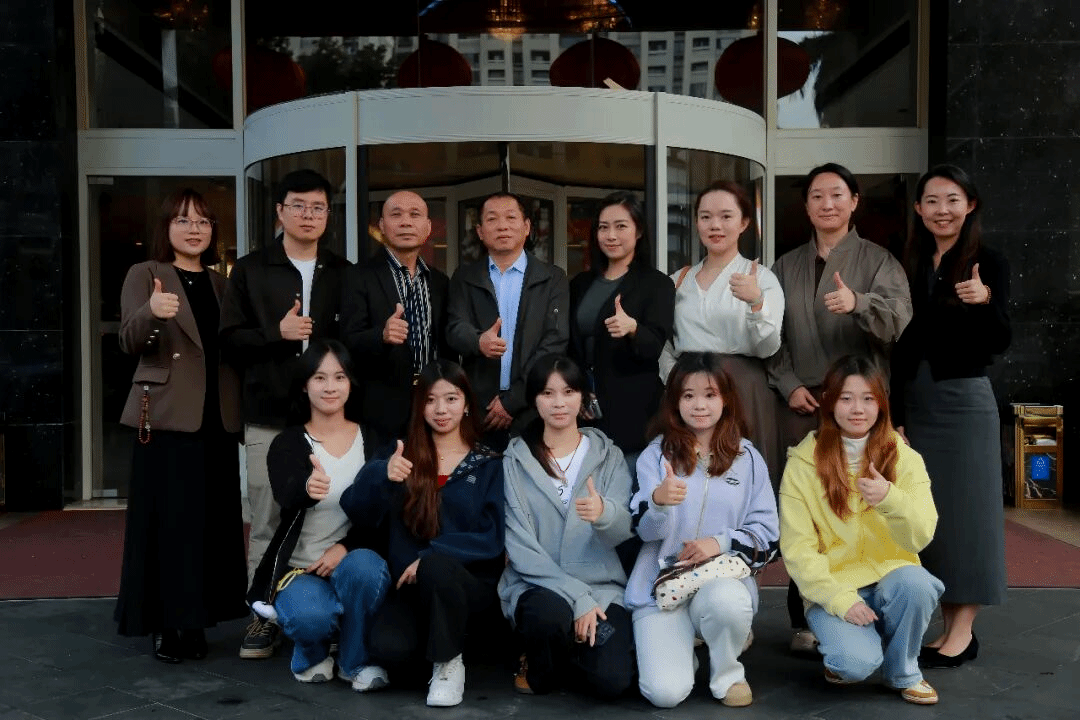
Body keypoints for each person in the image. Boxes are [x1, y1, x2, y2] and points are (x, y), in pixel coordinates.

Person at [767, 162, 912, 653]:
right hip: (803, 403)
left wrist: (859, 304)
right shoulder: (785, 265)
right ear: (806, 206)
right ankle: (806, 617)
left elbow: (898, 322)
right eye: (816, 196)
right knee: (806, 509)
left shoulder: (879, 260)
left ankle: (872, 609)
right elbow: (769, 336)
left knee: (861, 506)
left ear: (854, 202)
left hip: (860, 406)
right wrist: (787, 383)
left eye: (836, 194)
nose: (826, 204)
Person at [220, 169, 351, 659]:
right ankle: (262, 613)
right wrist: (277, 333)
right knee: (267, 517)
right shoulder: (251, 270)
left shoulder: (342, 271)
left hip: (331, 418)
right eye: (298, 205)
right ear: (280, 211)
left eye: (318, 207)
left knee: (332, 513)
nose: (308, 215)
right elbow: (229, 341)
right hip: (270, 414)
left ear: (328, 214)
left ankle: (323, 610)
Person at [114, 188, 248, 663]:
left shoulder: (221, 283)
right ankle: (166, 623)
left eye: (203, 222)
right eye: (183, 220)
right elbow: (129, 341)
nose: (194, 229)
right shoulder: (146, 273)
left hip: (217, 418)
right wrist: (152, 313)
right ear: (166, 227)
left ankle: (196, 619)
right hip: (168, 417)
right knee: (168, 524)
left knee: (209, 525)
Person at [891, 165, 1011, 668]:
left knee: (969, 517)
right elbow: (900, 346)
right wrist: (896, 412)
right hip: (916, 403)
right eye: (933, 201)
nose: (943, 210)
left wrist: (985, 302)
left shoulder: (989, 261)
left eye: (953, 199)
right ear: (919, 209)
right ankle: (946, 625)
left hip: (963, 403)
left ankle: (963, 631)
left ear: (971, 204)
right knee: (930, 516)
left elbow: (1000, 339)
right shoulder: (910, 262)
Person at [340, 359, 504, 708]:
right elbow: (357, 510)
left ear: (467, 404)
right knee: (389, 650)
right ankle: (432, 651)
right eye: (430, 400)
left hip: (466, 587)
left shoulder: (488, 462)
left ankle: (448, 663)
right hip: (410, 589)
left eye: (451, 398)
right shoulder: (401, 454)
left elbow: (492, 536)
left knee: (437, 567)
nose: (441, 409)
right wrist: (381, 474)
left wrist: (431, 555)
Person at [779, 355, 942, 705]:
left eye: (868, 398)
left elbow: (921, 536)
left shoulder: (904, 457)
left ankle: (903, 671)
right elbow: (797, 550)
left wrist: (891, 499)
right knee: (854, 665)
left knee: (918, 584)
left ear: (881, 404)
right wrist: (841, 600)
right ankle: (850, 647)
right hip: (834, 585)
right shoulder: (802, 463)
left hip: (892, 579)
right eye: (846, 398)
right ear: (829, 402)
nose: (858, 409)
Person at [627, 352, 779, 709]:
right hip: (661, 588)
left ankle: (728, 673)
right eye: (688, 395)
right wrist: (659, 502)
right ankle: (684, 651)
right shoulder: (656, 456)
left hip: (719, 582)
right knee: (665, 694)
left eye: (710, 395)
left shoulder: (747, 458)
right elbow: (645, 532)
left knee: (727, 603)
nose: (699, 405)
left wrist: (719, 542)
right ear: (674, 402)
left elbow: (768, 536)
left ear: (725, 400)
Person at [247, 340, 390, 689]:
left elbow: (383, 514)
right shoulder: (288, 443)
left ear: (350, 383)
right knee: (311, 617)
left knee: (365, 568)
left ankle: (354, 662)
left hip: (352, 560)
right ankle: (309, 655)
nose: (330, 387)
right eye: (319, 377)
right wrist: (306, 489)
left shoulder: (372, 439)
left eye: (339, 377)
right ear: (304, 385)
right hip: (301, 569)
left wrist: (345, 547)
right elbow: (286, 494)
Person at [500, 355, 636, 698]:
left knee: (612, 681)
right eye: (547, 393)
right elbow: (520, 549)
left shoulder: (609, 456)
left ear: (583, 397)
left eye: (569, 391)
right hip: (539, 587)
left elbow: (622, 531)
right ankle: (542, 652)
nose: (559, 403)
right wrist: (577, 597)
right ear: (534, 400)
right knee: (548, 620)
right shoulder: (515, 461)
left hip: (601, 589)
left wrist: (604, 513)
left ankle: (567, 651)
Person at [660, 181, 784, 487]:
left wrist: (756, 302)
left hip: (741, 388)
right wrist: (675, 380)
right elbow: (664, 345)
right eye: (706, 217)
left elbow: (769, 346)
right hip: (689, 390)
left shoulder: (761, 278)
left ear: (744, 222)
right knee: (687, 474)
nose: (715, 225)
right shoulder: (678, 280)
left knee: (742, 476)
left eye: (726, 216)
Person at [447, 192, 570, 448]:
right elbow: (454, 327)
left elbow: (555, 341)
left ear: (526, 227)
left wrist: (513, 400)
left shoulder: (552, 278)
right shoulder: (465, 277)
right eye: (492, 219)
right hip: (480, 408)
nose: (502, 226)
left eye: (511, 218)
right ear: (480, 231)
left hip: (534, 405)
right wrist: (478, 341)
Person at [340, 190, 450, 447]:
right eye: (396, 214)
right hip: (379, 411)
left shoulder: (440, 281)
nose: (406, 222)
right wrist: (381, 335)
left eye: (415, 215)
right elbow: (346, 341)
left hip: (433, 405)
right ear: (381, 225)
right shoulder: (358, 276)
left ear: (428, 227)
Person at [568, 191, 674, 457]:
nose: (611, 235)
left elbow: (654, 346)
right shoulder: (580, 283)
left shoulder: (657, 284)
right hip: (582, 408)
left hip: (632, 411)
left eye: (621, 226)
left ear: (639, 231)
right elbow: (570, 345)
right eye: (603, 227)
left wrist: (634, 328)